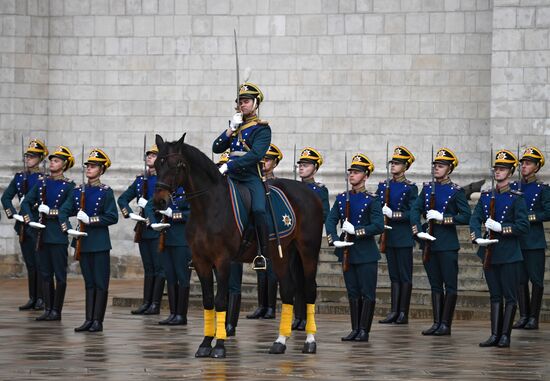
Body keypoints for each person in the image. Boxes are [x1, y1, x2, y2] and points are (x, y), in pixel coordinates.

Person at [470, 149, 529, 347]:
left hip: (509, 253)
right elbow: (475, 218)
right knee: (495, 294)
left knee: (510, 296)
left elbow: (523, 226)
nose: (498, 172)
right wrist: (477, 236)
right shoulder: (486, 196)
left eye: (502, 169)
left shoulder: (516, 198)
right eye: (496, 168)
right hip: (490, 252)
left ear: (510, 172)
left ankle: (505, 335)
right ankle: (494, 334)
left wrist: (502, 228)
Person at [411, 148, 471, 336]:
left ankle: (446, 324)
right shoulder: (428, 188)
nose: (436, 168)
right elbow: (414, 210)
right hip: (429, 243)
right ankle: (437, 322)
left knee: (449, 285)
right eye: (435, 165)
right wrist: (419, 231)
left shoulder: (456, 191)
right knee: (435, 284)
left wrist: (444, 218)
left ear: (450, 169)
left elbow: (466, 216)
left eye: (441, 166)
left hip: (446, 244)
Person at [325, 153, 384, 342]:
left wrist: (356, 230)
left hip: (365, 253)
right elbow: (331, 219)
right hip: (347, 252)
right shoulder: (343, 198)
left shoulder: (372, 200)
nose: (352, 175)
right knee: (352, 292)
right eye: (351, 171)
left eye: (356, 172)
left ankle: (364, 330)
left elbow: (378, 225)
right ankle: (355, 328)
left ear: (365, 176)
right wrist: (334, 239)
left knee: (367, 293)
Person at [212, 82, 271, 271]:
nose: (242, 105)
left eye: (246, 101)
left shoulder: (262, 129)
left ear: (256, 104)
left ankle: (262, 252)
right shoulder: (236, 126)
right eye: (240, 102)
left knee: (259, 210)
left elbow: (255, 155)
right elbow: (216, 147)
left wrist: (229, 165)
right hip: (231, 177)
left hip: (250, 176)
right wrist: (230, 129)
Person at [59, 148, 118, 332]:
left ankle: (98, 321)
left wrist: (90, 220)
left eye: (93, 166)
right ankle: (88, 319)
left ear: (101, 170)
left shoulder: (106, 192)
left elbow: (112, 217)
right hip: (82, 243)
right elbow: (63, 211)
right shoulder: (77, 191)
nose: (89, 169)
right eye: (88, 166)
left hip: (99, 243)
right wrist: (67, 228)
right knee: (89, 283)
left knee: (101, 283)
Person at [20, 146, 75, 321]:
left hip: (58, 234)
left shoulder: (69, 186)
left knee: (59, 275)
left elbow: (71, 209)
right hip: (41, 234)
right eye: (51, 160)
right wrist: (30, 220)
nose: (52, 162)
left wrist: (50, 211)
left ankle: (56, 311)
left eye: (57, 160)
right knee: (45, 273)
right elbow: (26, 203)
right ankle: (48, 308)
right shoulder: (41, 183)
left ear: (64, 165)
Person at [117, 143, 166, 315]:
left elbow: (170, 202)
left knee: (159, 268)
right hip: (143, 228)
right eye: (148, 155)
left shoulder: (163, 180)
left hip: (158, 227)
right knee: (148, 267)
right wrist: (130, 214)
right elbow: (123, 199)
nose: (149, 158)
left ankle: (155, 304)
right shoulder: (140, 181)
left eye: (153, 155)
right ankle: (146, 302)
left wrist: (152, 206)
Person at [1, 139, 48, 311]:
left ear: (41, 158)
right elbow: (5, 198)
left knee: (39, 262)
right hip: (22, 225)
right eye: (27, 156)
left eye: (33, 156)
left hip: (37, 224)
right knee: (29, 263)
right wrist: (13, 213)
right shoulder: (20, 177)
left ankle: (42, 298)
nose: (28, 159)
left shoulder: (44, 179)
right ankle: (32, 297)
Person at [377, 146, 418, 325]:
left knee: (404, 275)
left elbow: (412, 213)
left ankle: (403, 312)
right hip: (389, 235)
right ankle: (394, 311)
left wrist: (394, 214)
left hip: (402, 236)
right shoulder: (383, 186)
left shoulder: (411, 188)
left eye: (397, 163)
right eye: (392, 163)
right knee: (394, 275)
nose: (393, 166)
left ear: (405, 167)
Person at [511, 146, 550, 330]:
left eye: (528, 164)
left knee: (536, 280)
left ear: (536, 167)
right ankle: (524, 315)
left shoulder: (542, 188)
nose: (524, 166)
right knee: (520, 280)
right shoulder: (513, 187)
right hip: (518, 240)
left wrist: (528, 217)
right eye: (523, 163)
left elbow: (548, 211)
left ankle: (533, 317)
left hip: (533, 240)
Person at [292, 147, 330, 330]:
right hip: (293, 241)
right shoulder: (293, 188)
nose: (301, 168)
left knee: (308, 279)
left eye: (306, 165)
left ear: (314, 169)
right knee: (295, 279)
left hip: (308, 242)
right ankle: (297, 316)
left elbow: (324, 214)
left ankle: (307, 317)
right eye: (300, 165)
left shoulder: (320, 190)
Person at [143, 186, 191, 326]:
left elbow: (194, 212)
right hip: (165, 238)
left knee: (182, 277)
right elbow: (149, 206)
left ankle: (181, 315)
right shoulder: (166, 190)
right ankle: (173, 313)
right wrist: (153, 223)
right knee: (170, 276)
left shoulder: (187, 189)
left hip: (182, 240)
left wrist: (174, 214)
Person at [246, 144, 282, 320]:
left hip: (274, 232)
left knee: (272, 271)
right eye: (261, 160)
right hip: (259, 232)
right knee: (261, 269)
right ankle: (261, 305)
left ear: (275, 163)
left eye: (267, 160)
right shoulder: (255, 183)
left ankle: (271, 308)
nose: (263, 163)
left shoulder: (278, 184)